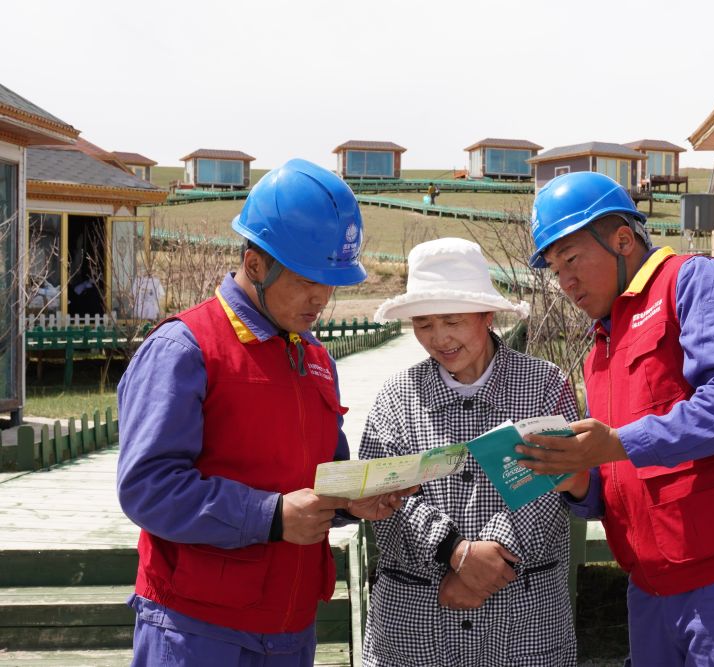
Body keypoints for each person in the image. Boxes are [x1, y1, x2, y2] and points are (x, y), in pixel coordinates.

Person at [116, 158, 413, 666]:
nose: (321, 297)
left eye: (331, 281)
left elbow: (318, 479)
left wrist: (351, 502)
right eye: (306, 279)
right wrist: (271, 516)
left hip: (291, 627)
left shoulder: (314, 356)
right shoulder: (185, 349)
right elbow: (148, 488)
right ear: (256, 264)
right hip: (198, 631)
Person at [520, 171, 714, 667]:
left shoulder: (695, 281)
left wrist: (615, 443)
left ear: (623, 240)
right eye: (553, 267)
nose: (565, 282)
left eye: (571, 259)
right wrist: (578, 482)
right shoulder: (601, 349)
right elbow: (619, 475)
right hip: (650, 588)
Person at [361, 237, 580, 666]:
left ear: (487, 315)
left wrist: (483, 571)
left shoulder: (544, 385)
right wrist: (453, 552)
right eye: (423, 324)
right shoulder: (395, 398)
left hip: (522, 620)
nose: (439, 338)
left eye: (452, 321)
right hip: (416, 617)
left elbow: (551, 485)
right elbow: (383, 493)